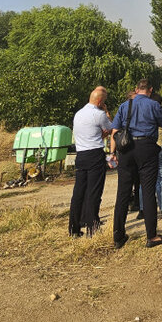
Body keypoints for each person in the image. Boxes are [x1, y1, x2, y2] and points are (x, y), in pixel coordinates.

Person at [111, 80, 162, 249]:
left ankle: (118, 236)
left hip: (126, 149)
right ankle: (151, 236)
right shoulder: (153, 105)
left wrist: (112, 152)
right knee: (148, 190)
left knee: (122, 192)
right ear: (150, 90)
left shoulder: (124, 105)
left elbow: (115, 128)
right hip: (146, 147)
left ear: (136, 90)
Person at [68, 86, 112, 237]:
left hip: (81, 155)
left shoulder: (78, 114)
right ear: (100, 101)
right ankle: (92, 227)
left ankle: (74, 228)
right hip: (95, 154)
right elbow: (110, 129)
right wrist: (106, 113)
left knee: (78, 192)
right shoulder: (99, 114)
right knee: (94, 192)